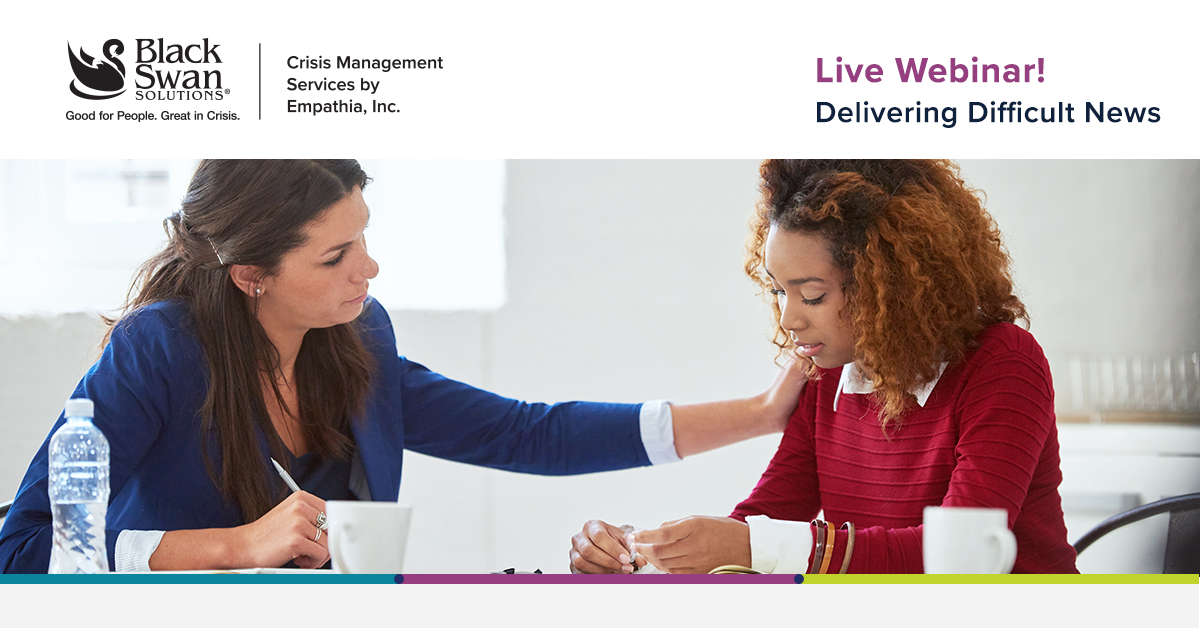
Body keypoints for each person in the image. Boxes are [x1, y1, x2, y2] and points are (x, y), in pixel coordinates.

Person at [0, 160, 804, 573]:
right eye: (336, 256)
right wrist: (233, 547)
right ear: (253, 275)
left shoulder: (357, 339)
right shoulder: (161, 350)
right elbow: (24, 547)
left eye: (366, 238)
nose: (370, 270)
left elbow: (529, 435)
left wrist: (762, 413)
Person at [570, 159, 1079, 574]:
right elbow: (761, 523)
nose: (789, 318)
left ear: (890, 285)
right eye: (777, 289)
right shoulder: (829, 375)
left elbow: (960, 558)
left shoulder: (1003, 364)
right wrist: (643, 557)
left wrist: (749, 546)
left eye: (811, 294)